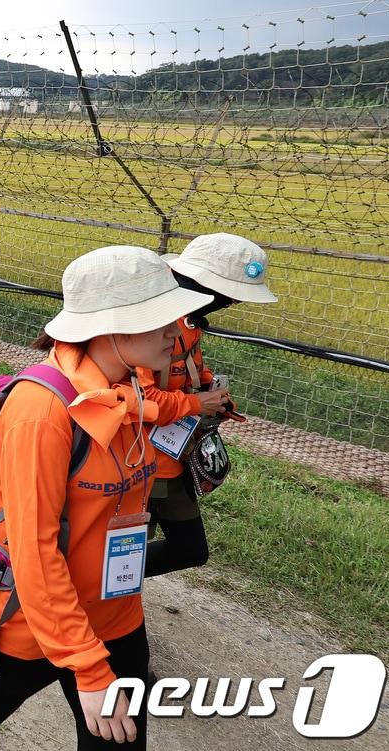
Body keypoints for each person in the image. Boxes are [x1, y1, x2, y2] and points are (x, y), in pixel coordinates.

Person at [0, 245, 213, 751]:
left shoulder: (133, 392)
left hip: (116, 613)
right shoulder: (41, 412)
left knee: (120, 740)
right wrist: (89, 669)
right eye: (159, 318)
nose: (175, 331)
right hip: (31, 617)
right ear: (112, 329)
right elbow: (35, 553)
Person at [139, 234, 275, 578]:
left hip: (175, 458)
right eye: (228, 296)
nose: (231, 304)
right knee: (121, 551)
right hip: (138, 462)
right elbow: (139, 400)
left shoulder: (190, 319)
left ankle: (102, 588)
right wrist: (196, 402)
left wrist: (212, 393)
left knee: (189, 550)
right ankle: (94, 602)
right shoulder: (149, 321)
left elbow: (188, 366)